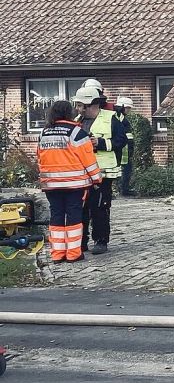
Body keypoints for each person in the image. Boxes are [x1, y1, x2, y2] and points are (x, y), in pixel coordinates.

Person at [37, 100, 102, 263]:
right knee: (73, 217)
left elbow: (40, 158)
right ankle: (73, 253)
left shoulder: (44, 133)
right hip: (74, 185)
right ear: (70, 113)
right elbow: (89, 160)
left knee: (56, 216)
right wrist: (96, 179)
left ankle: (57, 254)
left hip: (51, 185)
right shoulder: (77, 133)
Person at [73, 86, 126, 255]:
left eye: (81, 105)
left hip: (104, 172)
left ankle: (101, 240)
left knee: (100, 207)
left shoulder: (111, 118)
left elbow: (121, 140)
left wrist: (101, 143)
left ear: (91, 104)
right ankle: (82, 242)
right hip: (83, 172)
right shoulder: (77, 120)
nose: (78, 108)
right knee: (81, 207)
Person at [114, 96, 136, 196]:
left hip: (125, 148)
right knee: (124, 169)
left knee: (124, 169)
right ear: (123, 107)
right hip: (122, 148)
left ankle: (122, 189)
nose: (129, 110)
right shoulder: (119, 117)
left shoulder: (120, 116)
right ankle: (123, 190)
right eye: (128, 108)